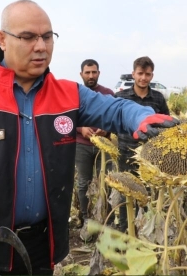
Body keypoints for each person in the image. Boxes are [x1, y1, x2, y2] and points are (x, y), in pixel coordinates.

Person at [0, 0, 178, 275]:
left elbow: (115, 109)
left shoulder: (68, 94)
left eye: (47, 37)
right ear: (2, 39)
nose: (41, 46)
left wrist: (140, 117)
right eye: (28, 37)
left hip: (41, 247)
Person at [115, 56, 170, 233]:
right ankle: (126, 229)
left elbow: (164, 122)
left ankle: (145, 230)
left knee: (147, 194)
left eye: (147, 74)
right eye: (140, 74)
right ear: (133, 74)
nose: (143, 78)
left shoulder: (158, 99)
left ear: (152, 75)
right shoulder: (121, 97)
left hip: (148, 156)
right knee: (126, 193)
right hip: (125, 152)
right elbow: (114, 121)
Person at [75, 59, 114, 241]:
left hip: (104, 147)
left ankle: (105, 219)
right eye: (87, 72)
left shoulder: (107, 94)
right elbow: (67, 119)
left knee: (105, 183)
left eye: (94, 72)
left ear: (99, 73)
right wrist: (81, 129)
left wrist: (106, 129)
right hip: (82, 145)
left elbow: (115, 116)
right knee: (84, 182)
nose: (91, 76)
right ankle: (87, 219)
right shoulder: (74, 94)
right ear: (81, 74)